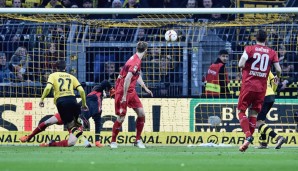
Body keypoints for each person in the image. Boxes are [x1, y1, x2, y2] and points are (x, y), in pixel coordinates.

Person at [19, 80, 115, 147]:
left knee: (71, 143)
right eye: (112, 93)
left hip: (78, 122)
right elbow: (105, 82)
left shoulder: (99, 109)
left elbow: (98, 124)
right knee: (48, 122)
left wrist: (97, 141)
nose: (112, 95)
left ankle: (51, 144)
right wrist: (111, 88)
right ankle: (29, 136)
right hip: (71, 112)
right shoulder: (96, 91)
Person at [237, 29, 282, 152]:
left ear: (255, 38)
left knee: (240, 111)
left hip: (248, 85)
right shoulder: (272, 52)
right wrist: (277, 76)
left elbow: (241, 63)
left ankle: (247, 136)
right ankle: (249, 140)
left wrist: (244, 69)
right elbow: (278, 69)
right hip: (262, 89)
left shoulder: (249, 49)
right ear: (266, 39)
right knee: (254, 115)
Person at [110, 41, 153, 149]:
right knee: (121, 118)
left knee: (141, 113)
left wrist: (144, 87)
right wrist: (124, 95)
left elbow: (136, 75)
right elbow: (128, 78)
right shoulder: (135, 61)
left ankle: (137, 140)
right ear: (146, 50)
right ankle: (113, 142)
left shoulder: (135, 58)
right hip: (122, 91)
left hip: (131, 91)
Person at [38, 60, 88, 147]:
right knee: (76, 124)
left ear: (56, 68)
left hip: (61, 102)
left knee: (71, 126)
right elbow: (82, 91)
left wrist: (42, 99)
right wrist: (84, 104)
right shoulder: (71, 76)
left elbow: (47, 88)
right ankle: (81, 124)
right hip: (73, 101)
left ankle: (85, 141)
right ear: (65, 68)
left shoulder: (53, 75)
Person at [256, 71, 285, 149]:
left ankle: (278, 137)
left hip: (262, 97)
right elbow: (275, 81)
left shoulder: (252, 71)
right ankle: (264, 143)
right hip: (271, 96)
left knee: (258, 123)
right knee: (261, 121)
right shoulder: (267, 69)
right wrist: (273, 90)